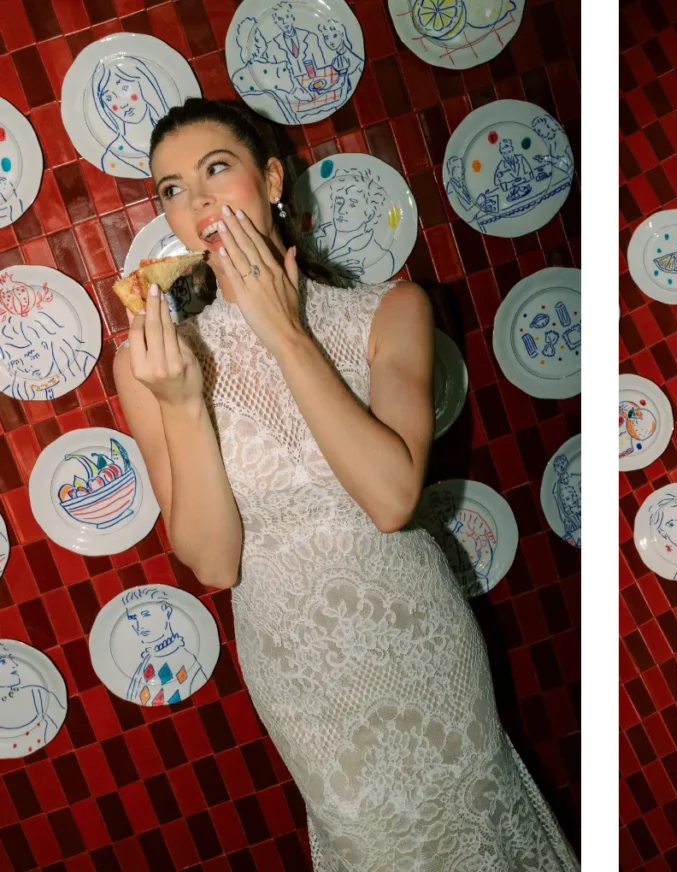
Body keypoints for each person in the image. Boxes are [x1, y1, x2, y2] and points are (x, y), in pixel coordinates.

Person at [113, 97, 577, 871]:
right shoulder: (152, 358)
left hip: (420, 643)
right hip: (299, 674)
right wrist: (184, 403)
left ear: (270, 178)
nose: (194, 203)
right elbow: (215, 564)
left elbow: (392, 500)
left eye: (215, 170)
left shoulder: (391, 309)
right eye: (169, 189)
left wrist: (284, 331)